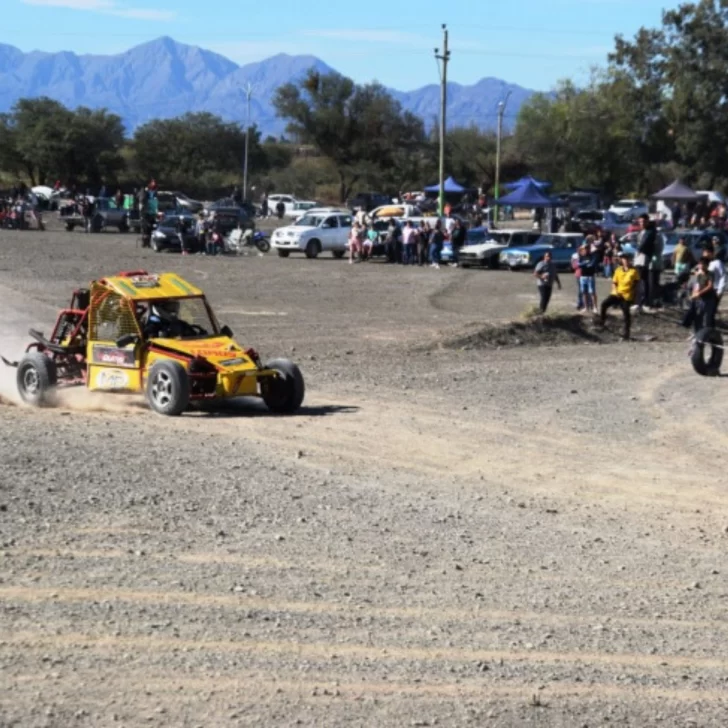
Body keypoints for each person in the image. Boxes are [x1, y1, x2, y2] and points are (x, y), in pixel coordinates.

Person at [599, 251, 640, 340]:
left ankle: (626, 333)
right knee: (604, 304)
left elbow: (636, 285)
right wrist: (615, 291)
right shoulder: (618, 270)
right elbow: (614, 282)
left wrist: (634, 297)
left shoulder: (634, 271)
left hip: (627, 295)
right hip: (617, 293)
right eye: (624, 259)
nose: (625, 261)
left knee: (626, 313)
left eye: (627, 259)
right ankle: (602, 323)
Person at [682, 258, 717, 333]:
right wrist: (693, 294)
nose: (701, 266)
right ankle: (697, 334)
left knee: (707, 318)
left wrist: (699, 293)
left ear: (707, 265)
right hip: (699, 299)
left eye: (703, 264)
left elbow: (710, 286)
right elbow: (696, 285)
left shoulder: (710, 274)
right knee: (697, 317)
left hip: (708, 299)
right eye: (700, 264)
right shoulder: (698, 274)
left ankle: (707, 335)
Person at [634, 214, 656, 311]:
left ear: (647, 221)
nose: (641, 224)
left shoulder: (650, 231)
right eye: (640, 222)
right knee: (639, 279)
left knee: (643, 279)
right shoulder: (641, 231)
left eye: (643, 222)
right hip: (639, 255)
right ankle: (639, 301)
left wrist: (638, 250)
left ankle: (644, 302)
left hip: (644, 255)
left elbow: (644, 243)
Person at [577, 239, 598, 313]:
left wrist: (584, 264)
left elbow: (592, 264)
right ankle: (586, 307)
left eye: (587, 248)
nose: (585, 249)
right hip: (583, 276)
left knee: (592, 292)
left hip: (590, 276)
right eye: (584, 248)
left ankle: (595, 307)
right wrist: (586, 263)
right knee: (584, 292)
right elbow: (578, 264)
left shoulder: (592, 255)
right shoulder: (581, 256)